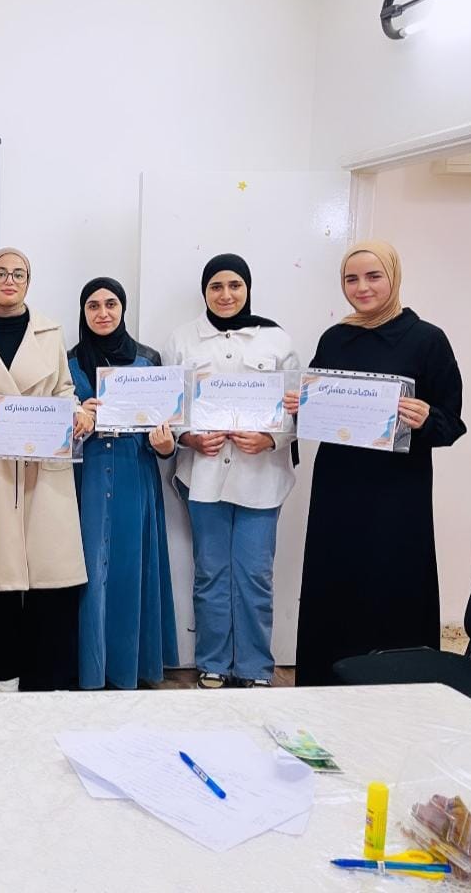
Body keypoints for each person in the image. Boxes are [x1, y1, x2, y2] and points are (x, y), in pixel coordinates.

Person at [292, 241, 465, 685]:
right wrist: (299, 405)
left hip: (396, 494)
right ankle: (325, 684)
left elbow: (451, 422)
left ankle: (395, 687)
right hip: (337, 487)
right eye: (351, 279)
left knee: (392, 584)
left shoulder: (427, 339)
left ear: (394, 277)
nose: (362, 287)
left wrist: (427, 417)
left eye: (373, 276)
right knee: (334, 584)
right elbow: (317, 406)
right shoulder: (335, 338)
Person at [163, 254, 298, 689]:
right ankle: (213, 661)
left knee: (255, 575)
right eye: (216, 286)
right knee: (211, 573)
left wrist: (271, 439)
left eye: (234, 285)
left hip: (262, 478)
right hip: (203, 477)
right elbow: (169, 404)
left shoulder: (276, 339)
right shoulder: (182, 339)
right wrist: (188, 438)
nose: (225, 295)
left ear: (248, 288)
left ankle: (255, 667)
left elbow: (298, 406)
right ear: (205, 291)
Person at [0, 248, 90, 692]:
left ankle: (46, 671)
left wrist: (77, 412)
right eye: (0, 273)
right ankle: (4, 668)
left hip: (43, 460)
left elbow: (65, 388)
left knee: (48, 570)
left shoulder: (50, 333)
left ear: (28, 282)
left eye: (18, 273)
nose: (9, 280)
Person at [69, 277, 179, 690]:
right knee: (88, 573)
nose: (102, 313)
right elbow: (57, 433)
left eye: (111, 304)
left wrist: (166, 446)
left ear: (123, 308)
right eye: (93, 305)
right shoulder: (68, 362)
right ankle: (89, 669)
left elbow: (166, 430)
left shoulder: (148, 360)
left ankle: (128, 667)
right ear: (83, 312)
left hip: (135, 475)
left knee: (130, 568)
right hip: (87, 479)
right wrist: (78, 417)